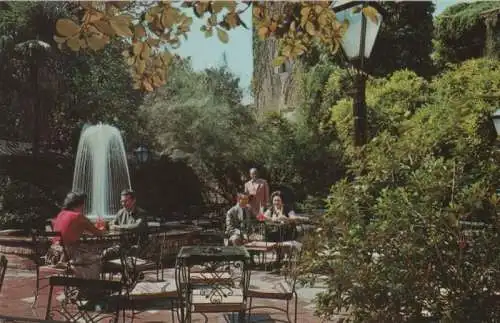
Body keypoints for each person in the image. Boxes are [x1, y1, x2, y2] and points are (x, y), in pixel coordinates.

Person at [51, 191, 104, 279]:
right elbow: (98, 233)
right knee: (99, 258)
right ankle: (91, 286)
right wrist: (103, 228)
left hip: (54, 253)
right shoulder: (78, 216)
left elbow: (66, 232)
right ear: (81, 204)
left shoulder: (61, 214)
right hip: (69, 255)